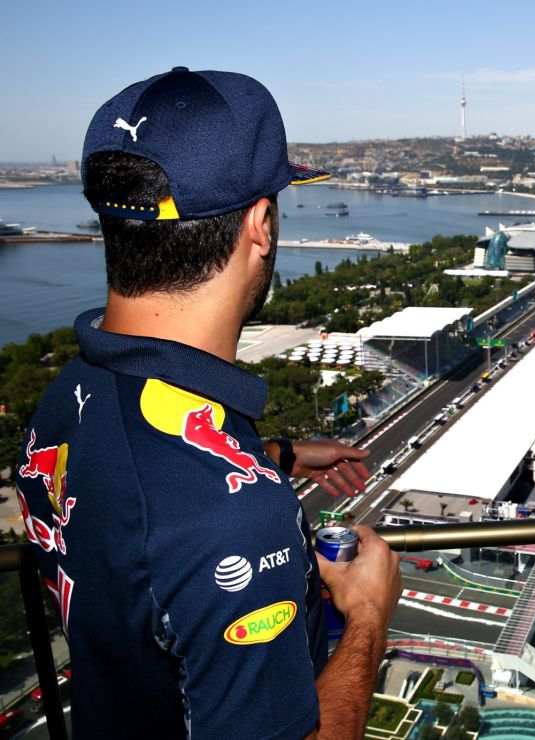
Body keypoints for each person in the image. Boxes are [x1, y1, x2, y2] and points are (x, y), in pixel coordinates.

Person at [15, 67, 402, 737]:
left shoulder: (64, 399)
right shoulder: (234, 522)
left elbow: (133, 503)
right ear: (260, 225)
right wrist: (367, 614)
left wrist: (271, 455)